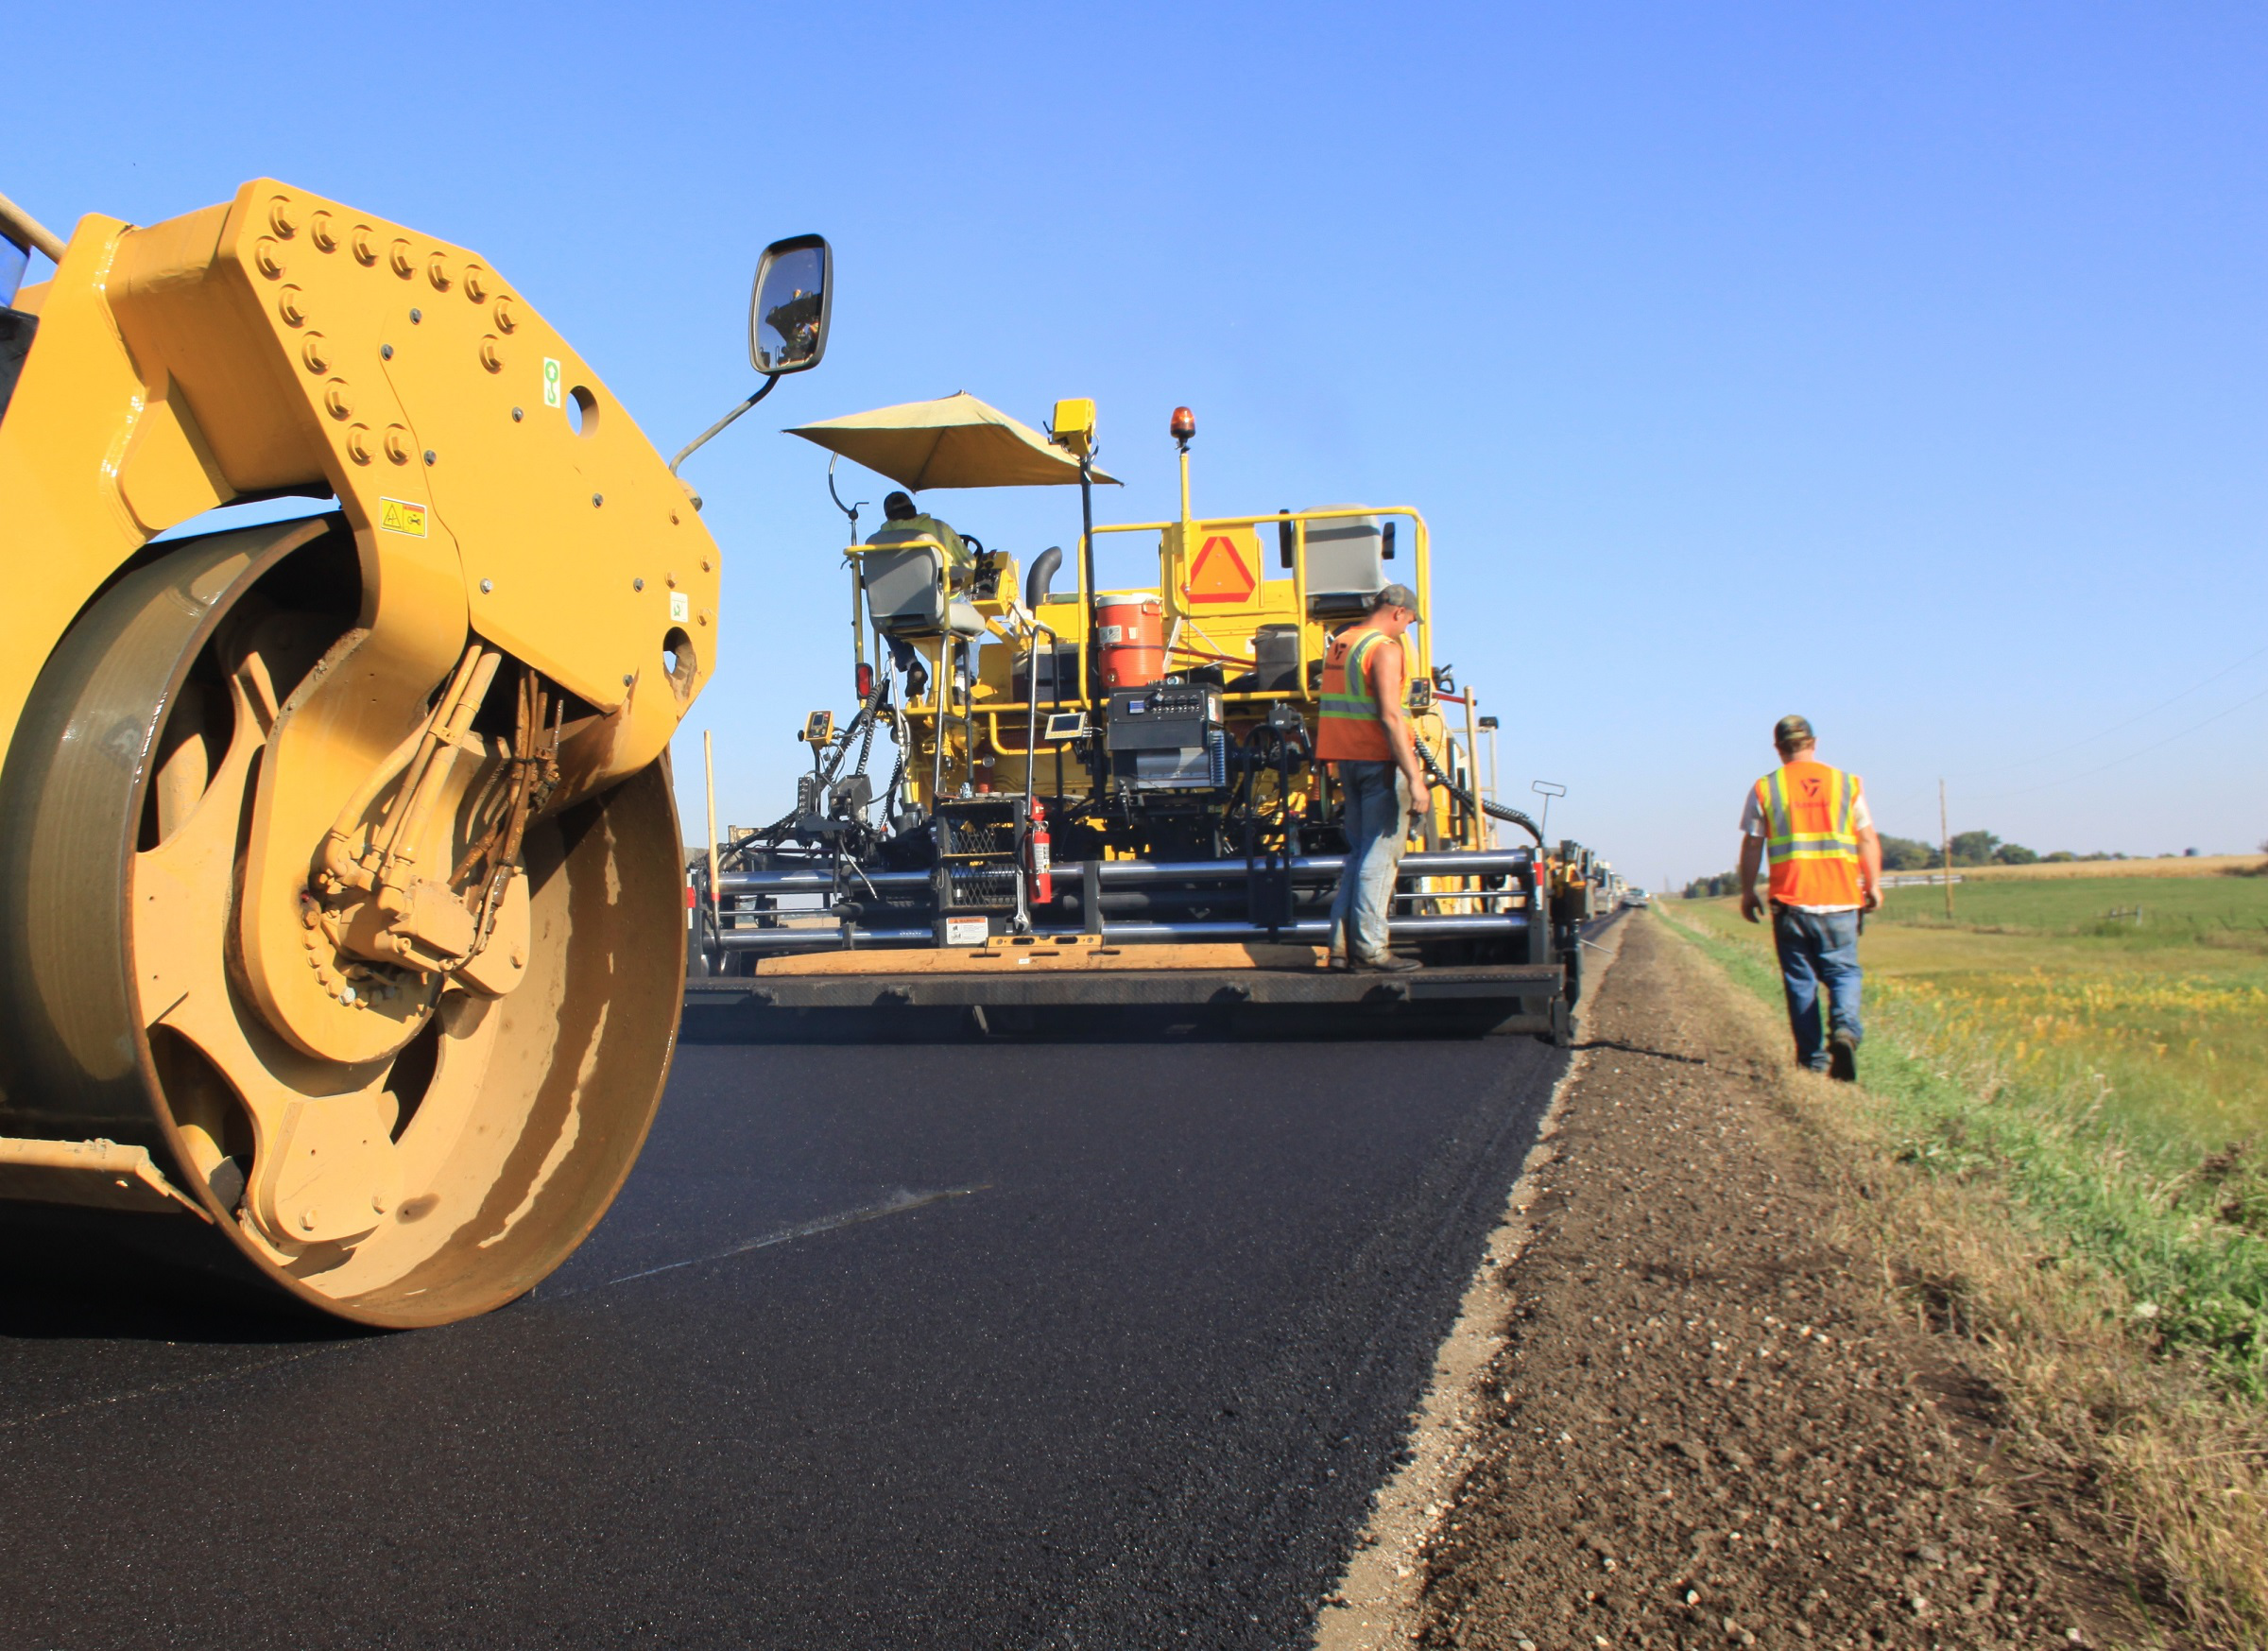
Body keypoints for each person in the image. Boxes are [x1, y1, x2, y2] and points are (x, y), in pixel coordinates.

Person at [1738, 714, 1883, 1080]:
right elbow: (1866, 838)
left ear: (1778, 748)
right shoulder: (1846, 784)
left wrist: (1747, 891)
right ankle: (1846, 1031)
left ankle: (1812, 1062)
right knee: (1843, 971)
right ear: (1813, 743)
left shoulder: (1765, 788)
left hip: (1791, 900)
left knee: (1800, 981)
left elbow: (1753, 842)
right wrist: (1874, 884)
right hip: (1841, 898)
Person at [1314, 584, 1433, 973]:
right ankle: (1371, 949)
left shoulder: (1340, 644)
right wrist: (1415, 779)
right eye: (1409, 622)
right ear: (1398, 612)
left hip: (1347, 762)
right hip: (1380, 764)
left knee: (1359, 856)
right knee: (1381, 859)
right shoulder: (1384, 648)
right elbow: (1390, 715)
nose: (1407, 631)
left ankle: (1340, 948)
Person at [866, 491, 973, 699]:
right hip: (938, 606)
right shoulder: (939, 529)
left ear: (887, 516)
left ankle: (911, 664)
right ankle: (961, 680)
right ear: (913, 509)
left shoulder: (875, 542)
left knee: (880, 618)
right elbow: (968, 563)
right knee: (973, 626)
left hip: (896, 613)